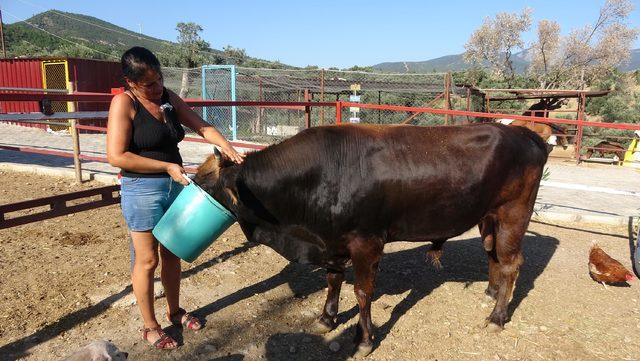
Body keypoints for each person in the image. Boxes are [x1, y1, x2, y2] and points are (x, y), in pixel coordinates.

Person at [107, 46, 244, 349]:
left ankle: (174, 311)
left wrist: (229, 149)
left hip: (176, 185)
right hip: (142, 189)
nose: (157, 89)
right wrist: (166, 166)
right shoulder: (124, 103)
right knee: (147, 260)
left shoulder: (167, 97)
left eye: (159, 80)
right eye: (149, 84)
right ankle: (149, 325)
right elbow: (117, 156)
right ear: (131, 83)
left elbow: (201, 125)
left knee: (173, 253)